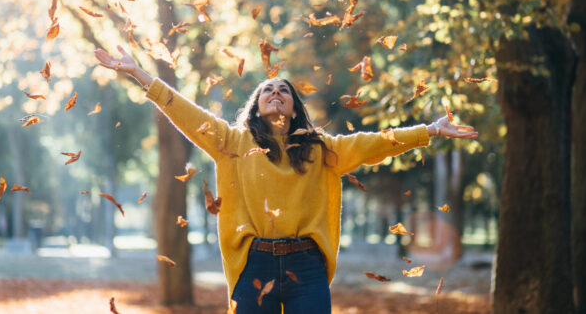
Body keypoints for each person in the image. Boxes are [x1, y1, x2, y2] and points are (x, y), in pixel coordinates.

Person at [94, 45, 479, 313]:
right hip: (253, 264)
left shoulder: (320, 149)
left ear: (294, 108)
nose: (276, 92)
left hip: (307, 266)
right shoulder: (231, 142)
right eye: (267, 90)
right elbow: (186, 113)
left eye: (283, 91)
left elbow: (377, 143)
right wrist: (138, 74)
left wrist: (431, 129)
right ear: (256, 106)